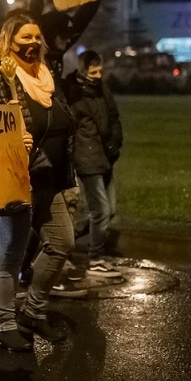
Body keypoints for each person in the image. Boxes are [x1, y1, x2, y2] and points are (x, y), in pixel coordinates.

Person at [0, 10, 72, 351]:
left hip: (48, 178)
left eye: (36, 37)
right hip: (12, 178)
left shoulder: (46, 75)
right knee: (10, 254)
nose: (33, 43)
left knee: (61, 243)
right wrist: (11, 137)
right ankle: (5, 323)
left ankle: (33, 311)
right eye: (24, 38)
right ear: (8, 40)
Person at [67, 49, 123, 274]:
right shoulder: (75, 94)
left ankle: (70, 238)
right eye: (94, 71)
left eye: (100, 70)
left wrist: (115, 142)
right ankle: (95, 258)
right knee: (100, 210)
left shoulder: (102, 89)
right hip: (87, 157)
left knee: (109, 211)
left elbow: (113, 117)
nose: (98, 75)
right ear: (83, 71)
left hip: (104, 155)